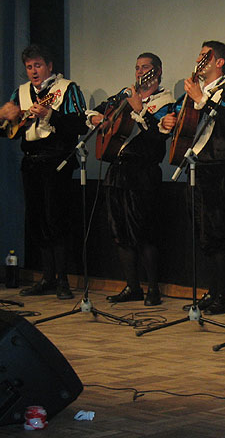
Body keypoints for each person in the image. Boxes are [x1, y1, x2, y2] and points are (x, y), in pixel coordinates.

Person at [163, 41, 225, 315]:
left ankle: (223, 296)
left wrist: (202, 98)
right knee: (203, 234)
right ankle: (212, 291)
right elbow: (175, 116)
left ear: (219, 62)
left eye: (204, 56)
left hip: (219, 170)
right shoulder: (192, 92)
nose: (198, 59)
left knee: (218, 232)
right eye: (199, 55)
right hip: (196, 168)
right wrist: (167, 122)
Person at [85, 53, 173, 306]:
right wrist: (97, 119)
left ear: (157, 71)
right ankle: (132, 286)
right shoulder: (124, 95)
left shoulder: (166, 102)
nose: (139, 71)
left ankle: (153, 289)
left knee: (144, 232)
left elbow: (158, 135)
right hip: (117, 170)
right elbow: (94, 112)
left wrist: (139, 109)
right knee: (119, 232)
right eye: (137, 67)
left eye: (145, 67)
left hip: (143, 172)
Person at [0, 44, 87, 300]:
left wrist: (51, 114)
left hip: (56, 161)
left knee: (56, 219)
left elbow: (80, 124)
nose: (33, 71)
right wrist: (4, 116)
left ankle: (63, 281)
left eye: (38, 65)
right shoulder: (21, 92)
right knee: (37, 220)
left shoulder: (67, 89)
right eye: (29, 67)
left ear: (49, 66)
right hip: (31, 162)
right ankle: (47, 278)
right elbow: (8, 130)